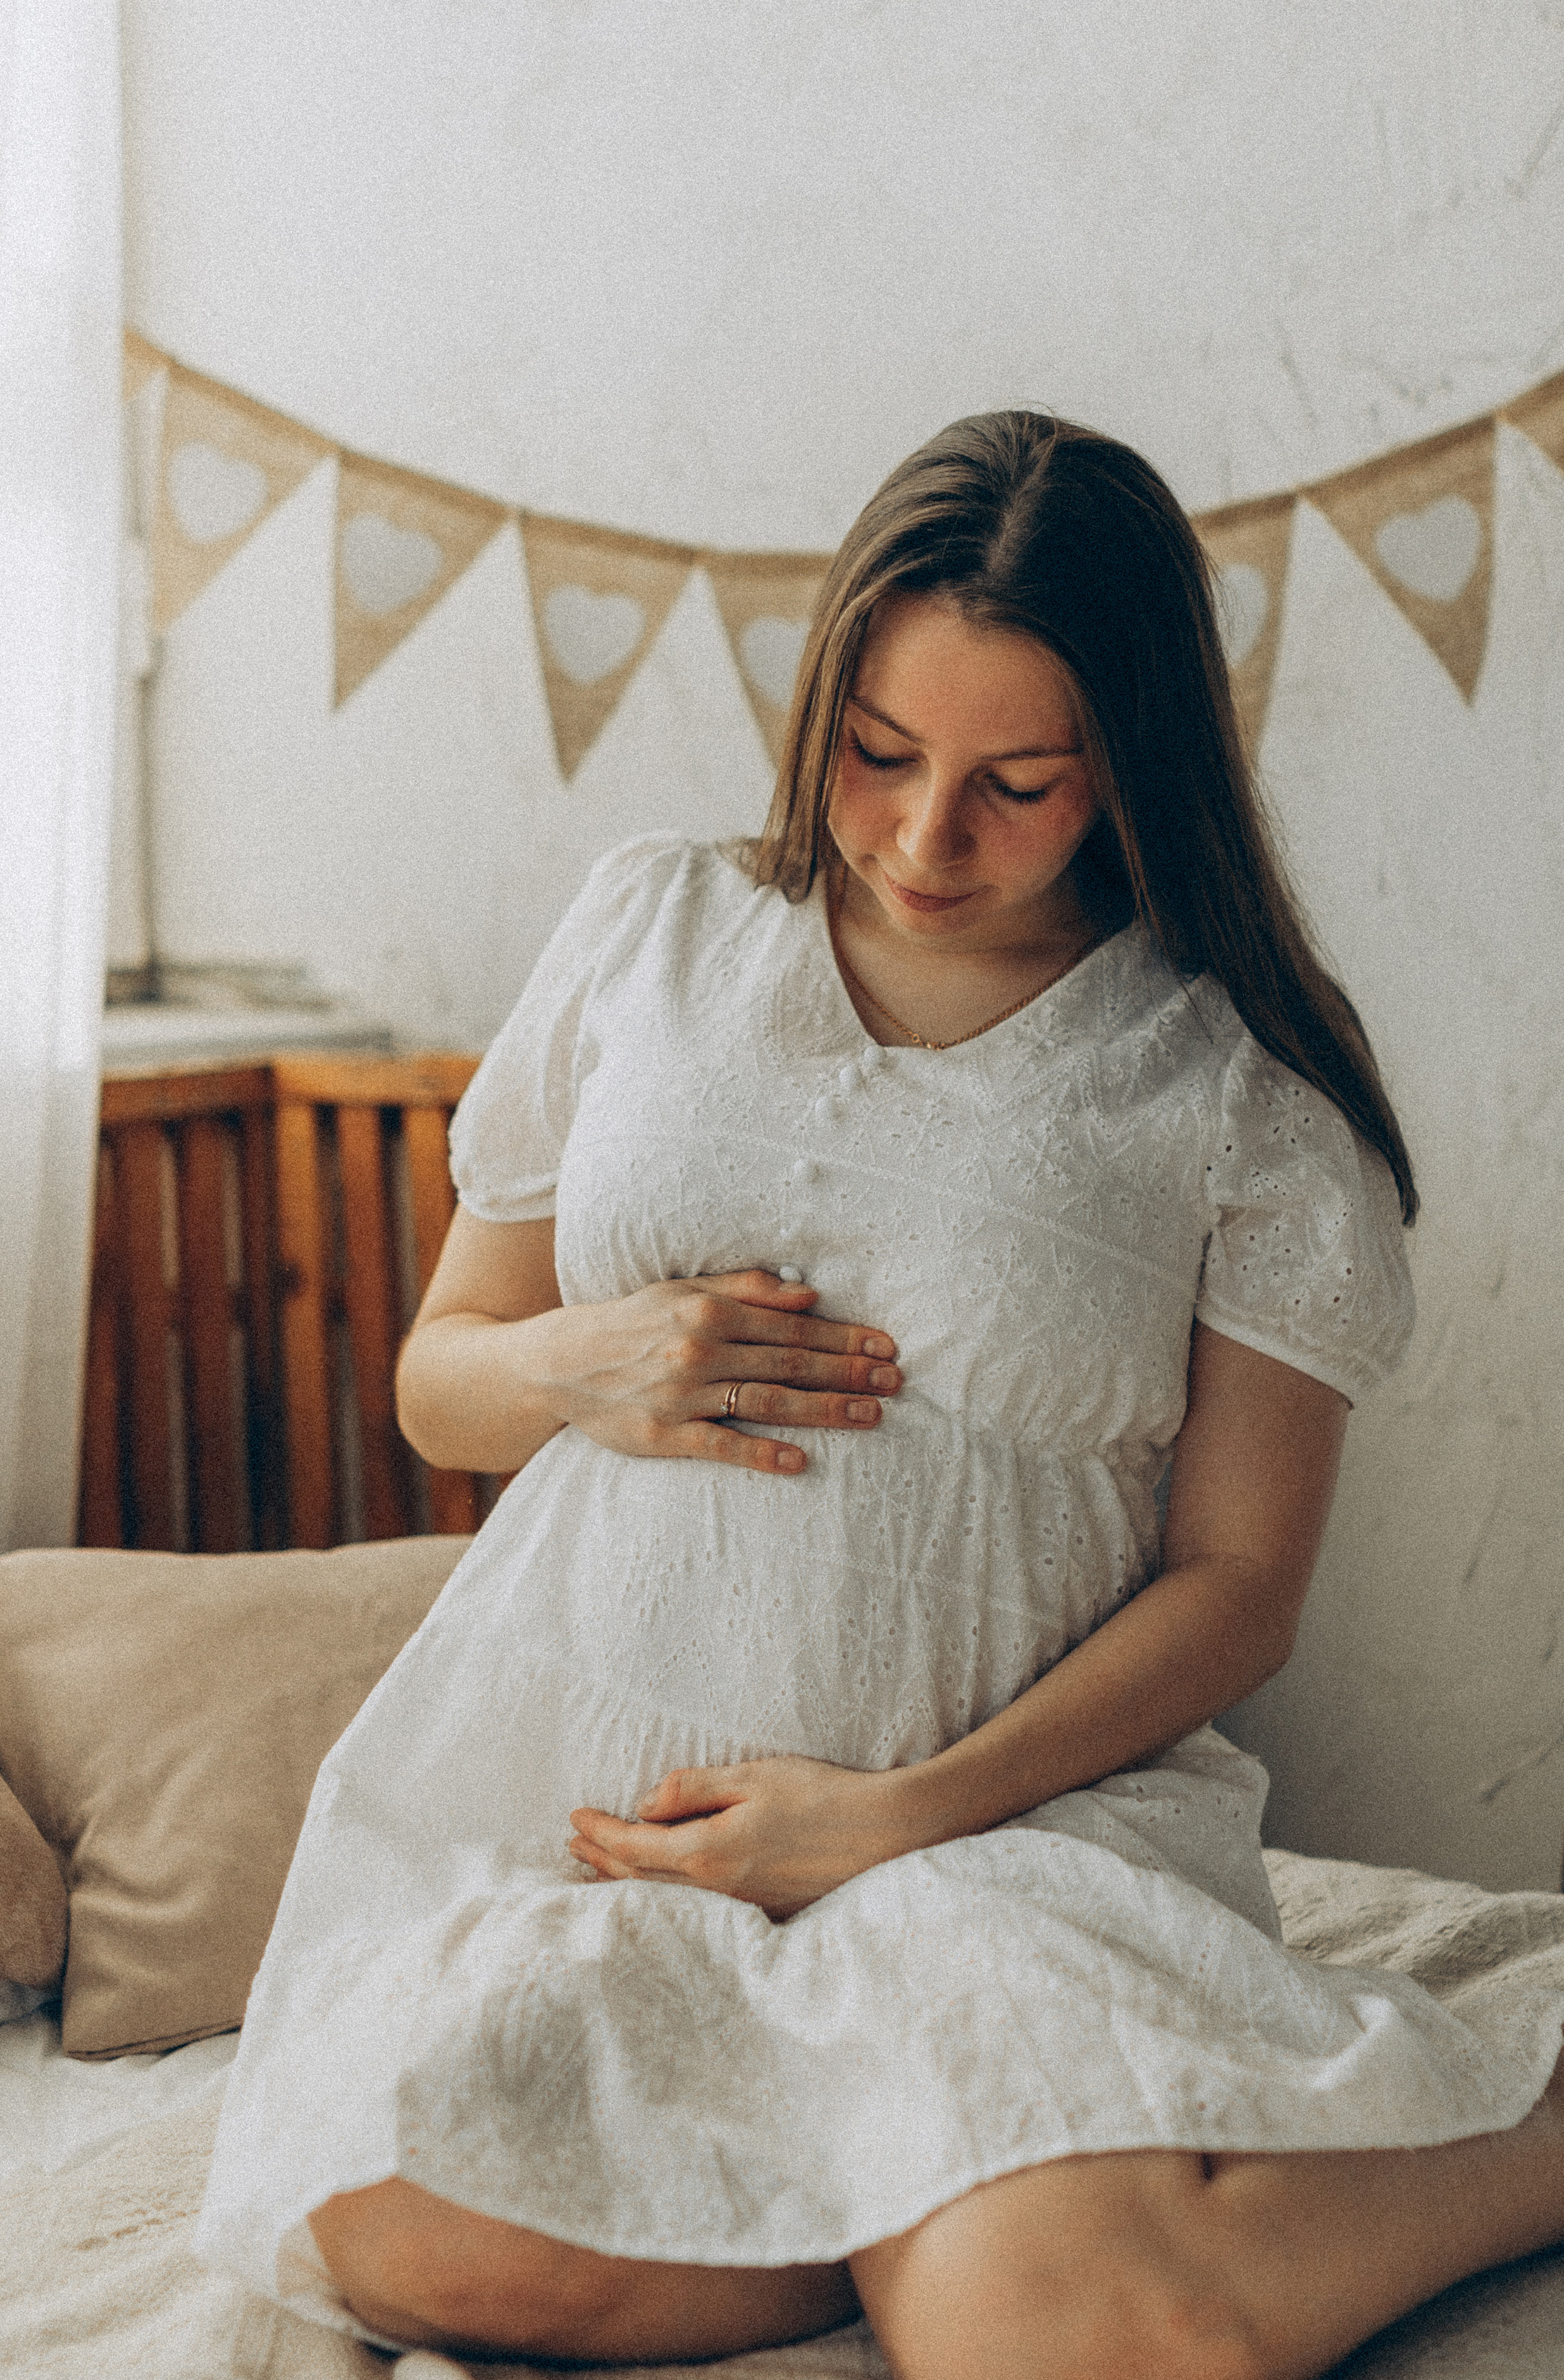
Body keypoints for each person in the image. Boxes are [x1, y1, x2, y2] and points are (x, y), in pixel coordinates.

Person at [197, 413, 1564, 2379]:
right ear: (821, 699)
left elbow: (1240, 1582)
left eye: (1018, 783)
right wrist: (582, 1362)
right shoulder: (658, 929)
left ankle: (1518, 2124)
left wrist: (893, 1820)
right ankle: (930, 2174)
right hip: (613, 1813)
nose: (927, 840)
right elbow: (441, 1385)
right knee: (389, 2220)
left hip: (1005, 1832)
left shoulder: (1232, 1090)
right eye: (878, 754)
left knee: (1074, 2343)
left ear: (1137, 770)